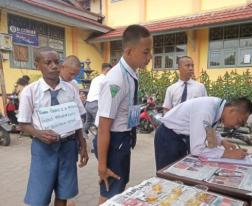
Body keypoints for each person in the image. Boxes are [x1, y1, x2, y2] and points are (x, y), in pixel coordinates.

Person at [18, 47, 89, 206]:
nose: (53, 66)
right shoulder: (30, 92)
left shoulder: (70, 89)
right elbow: (23, 123)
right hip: (43, 148)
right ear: (38, 66)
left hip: (68, 147)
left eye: (57, 62)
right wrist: (38, 133)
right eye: (48, 62)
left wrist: (82, 144)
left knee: (64, 193)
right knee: (39, 197)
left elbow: (77, 119)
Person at [94, 24, 152, 203]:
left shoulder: (132, 73)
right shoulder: (116, 80)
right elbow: (104, 127)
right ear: (129, 51)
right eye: (145, 52)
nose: (150, 57)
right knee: (109, 192)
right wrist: (102, 166)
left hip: (124, 138)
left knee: (119, 188)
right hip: (113, 140)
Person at [155, 96, 252, 171]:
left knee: (179, 172)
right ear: (232, 110)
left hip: (182, 138)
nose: (237, 126)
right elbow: (197, 150)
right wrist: (228, 153)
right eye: (239, 121)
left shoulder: (217, 107)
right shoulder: (206, 110)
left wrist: (222, 142)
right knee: (167, 175)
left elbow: (209, 128)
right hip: (168, 137)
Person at [84, 63, 112, 134]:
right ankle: (98, 142)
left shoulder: (95, 79)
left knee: (88, 122)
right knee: (100, 125)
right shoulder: (106, 79)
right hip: (95, 104)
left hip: (88, 104)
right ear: (108, 70)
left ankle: (81, 136)